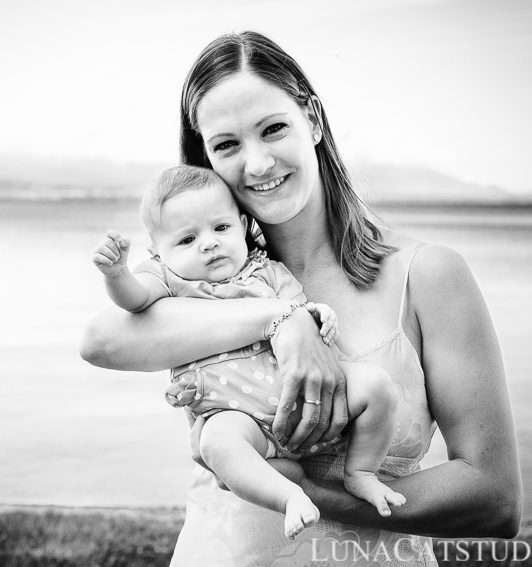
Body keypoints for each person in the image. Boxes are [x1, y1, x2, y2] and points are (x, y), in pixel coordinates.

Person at [80, 31, 521, 566]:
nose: (259, 163)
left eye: (274, 129)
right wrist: (285, 320)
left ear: (312, 118)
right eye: (227, 145)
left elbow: (493, 500)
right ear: (207, 160)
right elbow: (100, 342)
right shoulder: (200, 277)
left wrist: (309, 493)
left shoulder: (426, 274)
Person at [91, 164, 406, 539]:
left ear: (242, 225)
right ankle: (288, 496)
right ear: (157, 251)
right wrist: (117, 275)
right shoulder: (169, 280)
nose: (208, 243)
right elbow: (134, 299)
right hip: (239, 417)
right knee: (216, 442)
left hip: (302, 396)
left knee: (377, 386)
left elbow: (299, 313)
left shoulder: (269, 272)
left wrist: (320, 315)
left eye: (220, 228)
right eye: (186, 239)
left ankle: (360, 472)